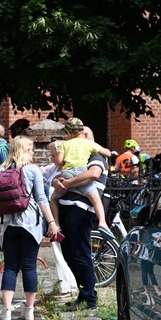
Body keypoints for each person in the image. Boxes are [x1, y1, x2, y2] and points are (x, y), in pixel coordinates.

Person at [0, 136, 58, 320]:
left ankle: (6, 311)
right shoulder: (32, 170)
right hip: (31, 224)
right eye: (30, 150)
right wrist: (52, 222)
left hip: (8, 224)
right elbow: (41, 199)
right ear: (24, 150)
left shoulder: (1, 169)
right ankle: (29, 310)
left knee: (11, 267)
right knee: (29, 266)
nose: (32, 153)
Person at [53, 126, 109, 310]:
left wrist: (66, 183)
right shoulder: (77, 155)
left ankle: (89, 298)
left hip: (81, 209)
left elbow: (93, 174)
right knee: (69, 254)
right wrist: (57, 181)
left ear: (87, 138)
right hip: (66, 208)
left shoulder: (95, 156)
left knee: (80, 254)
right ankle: (83, 292)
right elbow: (58, 173)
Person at [50, 117, 114, 240]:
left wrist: (66, 164)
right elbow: (108, 153)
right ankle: (102, 223)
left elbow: (58, 161)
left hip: (67, 173)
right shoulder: (89, 143)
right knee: (95, 200)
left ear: (68, 133)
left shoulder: (65, 144)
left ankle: (56, 225)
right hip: (82, 172)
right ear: (82, 132)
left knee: (53, 199)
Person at [41, 140, 78, 297]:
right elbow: (40, 171)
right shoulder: (54, 168)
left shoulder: (68, 171)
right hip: (54, 217)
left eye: (54, 155)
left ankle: (68, 287)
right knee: (58, 251)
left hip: (62, 216)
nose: (52, 158)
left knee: (62, 251)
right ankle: (67, 285)